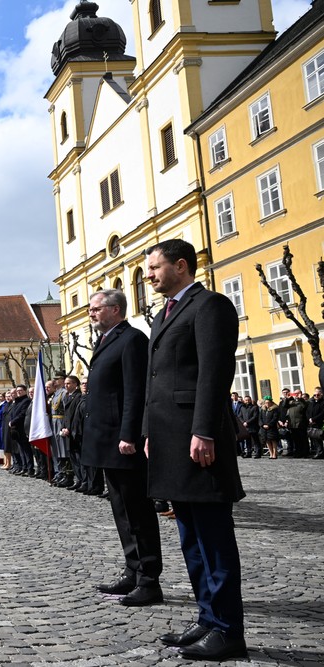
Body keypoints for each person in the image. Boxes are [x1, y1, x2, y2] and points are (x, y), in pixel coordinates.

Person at [143, 239, 246, 660]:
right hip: (170, 439)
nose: (149, 275)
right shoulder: (164, 314)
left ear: (180, 266)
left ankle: (228, 630)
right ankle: (207, 617)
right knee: (189, 536)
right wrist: (150, 431)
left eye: (154, 267)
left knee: (213, 537)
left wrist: (204, 430)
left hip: (197, 439)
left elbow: (214, 373)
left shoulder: (210, 307)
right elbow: (157, 379)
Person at [82, 289, 163, 607]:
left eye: (95, 309)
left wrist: (131, 434)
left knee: (138, 511)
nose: (91, 313)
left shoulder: (131, 340)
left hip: (122, 441)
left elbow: (134, 391)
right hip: (106, 440)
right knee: (121, 511)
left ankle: (149, 579)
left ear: (115, 310)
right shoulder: (105, 340)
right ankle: (133, 569)